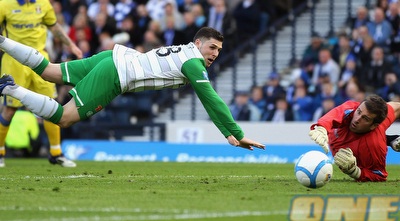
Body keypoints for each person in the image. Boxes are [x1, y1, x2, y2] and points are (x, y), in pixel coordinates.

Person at [0, 27, 265, 151]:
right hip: (117, 73)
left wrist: (227, 135)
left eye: (219, 49)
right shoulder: (194, 64)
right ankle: (11, 90)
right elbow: (212, 100)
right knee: (65, 117)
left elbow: (209, 101)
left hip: (112, 57)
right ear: (198, 43)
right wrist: (237, 134)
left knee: (50, 71)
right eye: (212, 47)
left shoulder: (186, 51)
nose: (216, 53)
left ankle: (3, 42)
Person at [0, 0, 83, 167]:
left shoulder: (43, 4)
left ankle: (56, 153)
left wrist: (72, 45)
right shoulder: (4, 4)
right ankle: (0, 152)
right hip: (14, 62)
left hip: (40, 61)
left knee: (51, 106)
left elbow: (55, 27)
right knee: (10, 109)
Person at [308, 94, 400, 182]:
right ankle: (390, 139)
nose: (357, 119)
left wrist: (356, 172)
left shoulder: (375, 146)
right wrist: (321, 128)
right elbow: (397, 107)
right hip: (337, 138)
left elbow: (379, 175)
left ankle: (388, 139)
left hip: (371, 139)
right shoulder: (351, 109)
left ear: (373, 125)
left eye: (365, 118)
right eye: (359, 112)